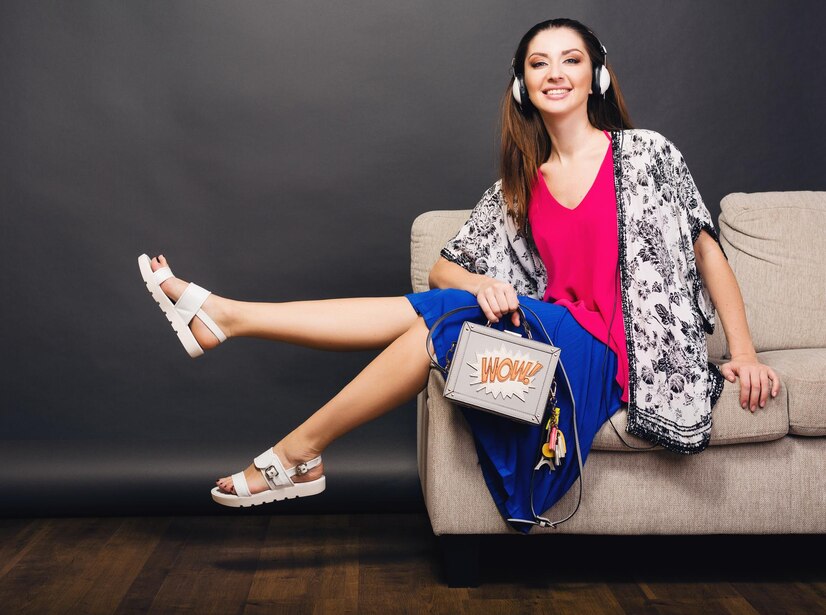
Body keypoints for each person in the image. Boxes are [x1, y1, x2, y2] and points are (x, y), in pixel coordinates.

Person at [138, 18, 781, 532]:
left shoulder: (646, 154)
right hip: (549, 339)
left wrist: (744, 352)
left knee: (437, 316)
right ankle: (285, 435)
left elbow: (705, 251)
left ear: (598, 76)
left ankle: (236, 332)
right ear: (521, 85)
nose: (555, 72)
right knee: (436, 324)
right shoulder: (518, 188)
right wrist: (484, 285)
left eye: (571, 60)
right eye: (539, 63)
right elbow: (449, 267)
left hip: (612, 357)